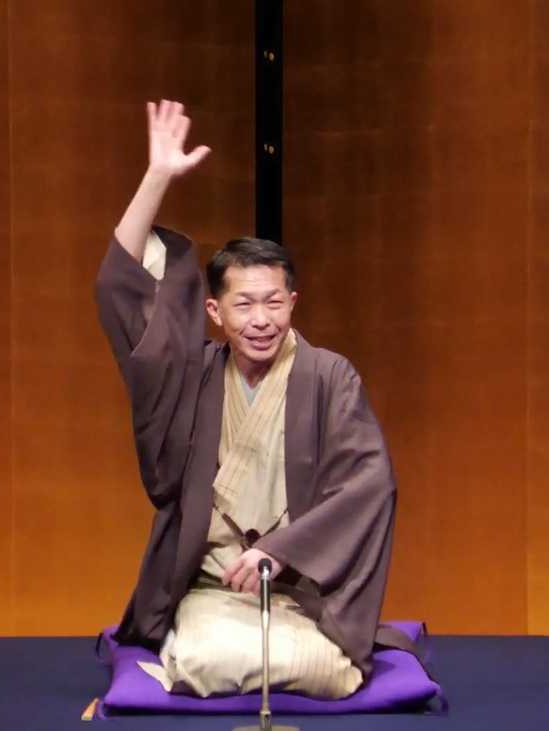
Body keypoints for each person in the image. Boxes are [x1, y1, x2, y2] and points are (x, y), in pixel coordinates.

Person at [94, 99, 408, 699]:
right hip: (214, 588)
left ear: (294, 303)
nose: (261, 319)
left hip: (303, 588)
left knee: (327, 673)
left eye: (273, 302)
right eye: (243, 304)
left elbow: (370, 484)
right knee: (208, 664)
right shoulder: (194, 376)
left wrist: (281, 551)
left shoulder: (329, 377)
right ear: (214, 311)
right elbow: (120, 291)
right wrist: (157, 176)